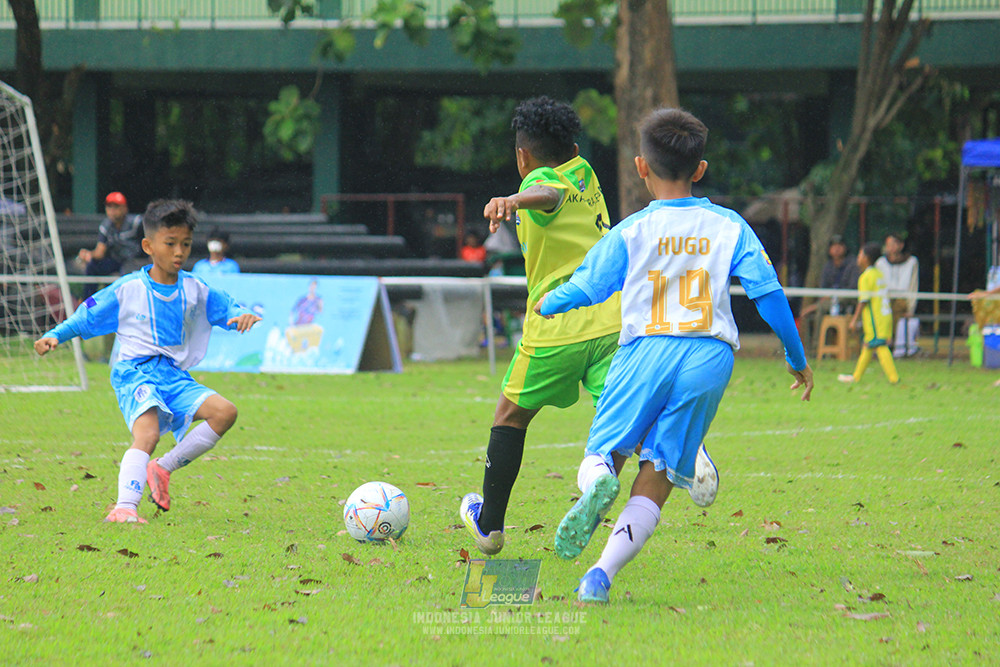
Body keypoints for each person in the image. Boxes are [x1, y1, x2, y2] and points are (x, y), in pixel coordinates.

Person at [535, 107, 813, 603]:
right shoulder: (730, 226)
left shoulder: (632, 229)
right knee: (659, 472)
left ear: (642, 167)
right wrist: (795, 356)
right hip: (710, 355)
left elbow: (590, 285)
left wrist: (550, 302)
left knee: (605, 452)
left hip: (646, 349)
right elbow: (767, 293)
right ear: (700, 170)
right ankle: (600, 575)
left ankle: (598, 481)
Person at [459, 96, 629, 557]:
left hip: (556, 324)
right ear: (573, 145)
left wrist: (514, 197)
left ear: (522, 155)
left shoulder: (538, 179)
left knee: (510, 416)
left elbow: (547, 194)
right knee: (621, 417)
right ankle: (611, 476)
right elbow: (563, 190)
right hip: (612, 321)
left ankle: (489, 526)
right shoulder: (587, 173)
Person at [33, 199, 261, 523]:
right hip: (135, 372)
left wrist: (240, 315)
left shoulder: (195, 288)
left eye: (185, 244)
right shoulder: (129, 288)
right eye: (170, 244)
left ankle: (162, 468)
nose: (179, 252)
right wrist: (57, 334)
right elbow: (88, 314)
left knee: (225, 413)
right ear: (148, 245)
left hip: (172, 374)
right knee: (148, 434)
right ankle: (125, 506)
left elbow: (225, 306)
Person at [838, 243, 899, 385]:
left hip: (875, 318)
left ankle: (894, 379)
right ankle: (856, 377)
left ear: (866, 258)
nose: (857, 259)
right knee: (868, 345)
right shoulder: (878, 274)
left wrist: (854, 320)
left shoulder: (866, 277)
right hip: (884, 315)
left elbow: (863, 301)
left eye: (860, 255)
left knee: (880, 345)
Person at [78, 192, 144, 298]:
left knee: (128, 274)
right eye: (109, 207)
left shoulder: (136, 223)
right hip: (116, 261)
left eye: (116, 207)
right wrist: (88, 254)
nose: (112, 211)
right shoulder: (106, 226)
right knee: (93, 266)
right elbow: (99, 252)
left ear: (125, 208)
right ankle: (88, 303)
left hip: (136, 261)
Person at [875, 232, 919, 358]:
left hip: (902, 298)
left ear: (901, 245)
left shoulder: (911, 262)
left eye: (894, 244)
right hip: (885, 299)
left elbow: (913, 285)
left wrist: (911, 307)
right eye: (889, 244)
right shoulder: (881, 263)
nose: (891, 247)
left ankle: (899, 349)